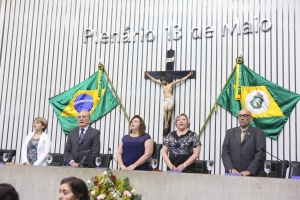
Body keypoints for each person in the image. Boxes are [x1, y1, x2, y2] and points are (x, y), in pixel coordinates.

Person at [221, 109, 266, 176]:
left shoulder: (258, 133)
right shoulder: (230, 133)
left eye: (245, 116)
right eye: (240, 116)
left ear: (251, 119)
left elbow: (260, 154)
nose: (242, 118)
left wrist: (249, 171)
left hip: (252, 174)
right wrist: (230, 169)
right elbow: (225, 152)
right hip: (232, 174)